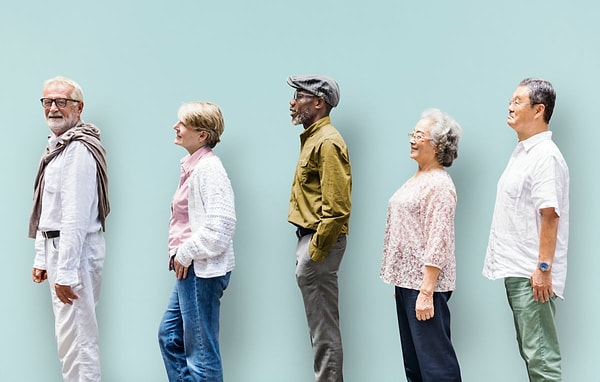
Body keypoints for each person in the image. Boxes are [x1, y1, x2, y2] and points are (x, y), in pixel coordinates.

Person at [483, 78, 569, 381]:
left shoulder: (545, 156)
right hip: (519, 270)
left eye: (518, 101)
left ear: (539, 109)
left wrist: (543, 268)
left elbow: (550, 214)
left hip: (533, 274)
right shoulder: (523, 153)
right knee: (532, 352)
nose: (510, 105)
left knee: (541, 358)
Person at [29, 76, 110, 382]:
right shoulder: (57, 148)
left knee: (78, 336)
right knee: (68, 336)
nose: (53, 108)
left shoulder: (78, 151)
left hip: (72, 250)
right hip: (58, 248)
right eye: (47, 101)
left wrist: (65, 272)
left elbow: (75, 216)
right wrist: (41, 257)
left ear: (79, 107)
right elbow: (48, 208)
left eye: (61, 101)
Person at [380, 108, 462, 382]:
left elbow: (439, 238)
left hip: (424, 286)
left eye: (419, 135)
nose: (412, 139)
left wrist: (426, 291)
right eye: (412, 134)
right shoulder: (418, 178)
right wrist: (400, 280)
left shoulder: (439, 184)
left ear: (438, 144)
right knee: (415, 364)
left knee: (435, 365)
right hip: (407, 284)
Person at [158, 101, 236, 382]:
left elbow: (222, 226)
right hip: (191, 270)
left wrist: (184, 253)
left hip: (201, 271)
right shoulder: (193, 167)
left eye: (182, 123)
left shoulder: (209, 170)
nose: (175, 127)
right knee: (169, 336)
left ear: (202, 134)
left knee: (201, 354)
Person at [287, 74, 352, 382]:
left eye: (299, 96)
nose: (292, 102)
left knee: (324, 330)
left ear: (318, 102)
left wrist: (315, 251)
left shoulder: (327, 142)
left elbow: (337, 208)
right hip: (311, 241)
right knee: (319, 330)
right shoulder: (314, 138)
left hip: (319, 243)